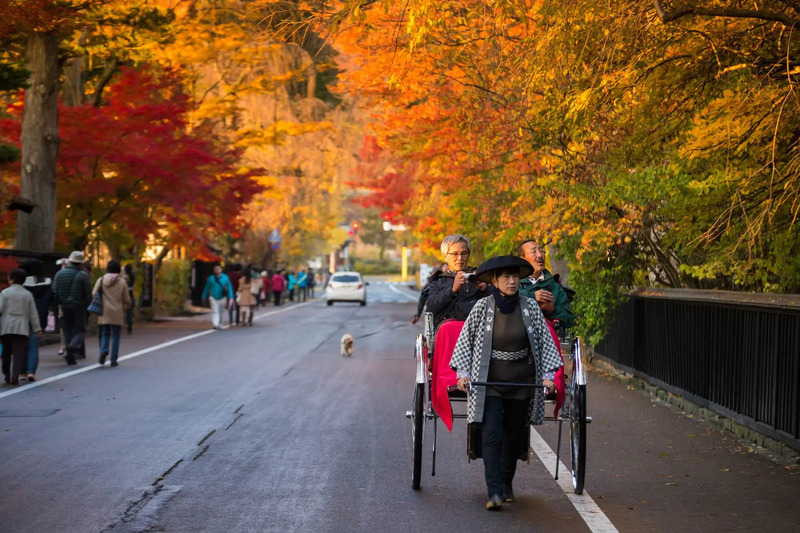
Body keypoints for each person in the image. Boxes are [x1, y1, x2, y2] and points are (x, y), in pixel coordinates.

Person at [450, 255, 562, 511]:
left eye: (514, 277)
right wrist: (463, 373)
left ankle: (507, 483)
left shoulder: (530, 308)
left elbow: (545, 343)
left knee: (513, 435)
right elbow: (464, 342)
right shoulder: (482, 307)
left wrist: (547, 376)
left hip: (522, 380)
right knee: (492, 434)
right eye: (506, 278)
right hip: (489, 380)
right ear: (495, 281)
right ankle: (495, 491)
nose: (512, 282)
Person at [425, 234, 491, 328]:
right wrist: (452, 290)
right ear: (445, 256)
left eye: (464, 253)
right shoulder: (438, 282)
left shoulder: (479, 276)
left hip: (478, 329)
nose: (460, 258)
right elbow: (431, 309)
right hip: (449, 331)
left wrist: (486, 289)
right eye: (455, 254)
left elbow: (497, 305)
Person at [516, 240, 574, 329]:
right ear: (522, 258)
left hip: (547, 339)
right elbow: (502, 297)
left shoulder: (555, 287)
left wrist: (552, 310)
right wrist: (532, 296)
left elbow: (569, 320)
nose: (540, 255)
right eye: (533, 252)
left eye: (542, 251)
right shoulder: (513, 282)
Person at [0, 269, 43, 385]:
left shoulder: (5, 293)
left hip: (6, 328)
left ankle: (6, 375)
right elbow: (32, 314)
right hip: (21, 329)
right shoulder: (27, 295)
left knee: (6, 353)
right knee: (19, 353)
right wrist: (37, 329)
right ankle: (15, 376)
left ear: (12, 279)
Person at [53, 251, 92, 365]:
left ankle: (69, 352)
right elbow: (88, 294)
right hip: (78, 305)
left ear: (70, 261)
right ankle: (72, 346)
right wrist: (89, 307)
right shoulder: (83, 275)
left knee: (67, 329)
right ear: (81, 263)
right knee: (80, 329)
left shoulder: (59, 274)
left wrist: (57, 305)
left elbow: (55, 291)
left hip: (64, 305)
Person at [93, 260, 131, 367]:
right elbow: (126, 298)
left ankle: (104, 350)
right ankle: (113, 360)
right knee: (115, 336)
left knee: (105, 333)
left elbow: (94, 293)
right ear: (119, 270)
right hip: (117, 311)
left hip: (104, 311)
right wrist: (127, 306)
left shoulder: (101, 280)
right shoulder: (122, 282)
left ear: (107, 269)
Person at [22, 259, 53, 382]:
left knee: (22, 345)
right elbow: (51, 299)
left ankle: (22, 372)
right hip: (40, 317)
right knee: (34, 346)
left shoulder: (22, 283)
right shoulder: (47, 282)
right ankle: (31, 372)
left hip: (23, 317)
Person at [201, 264, 234, 329]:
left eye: (218, 269)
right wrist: (203, 296)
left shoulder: (225, 277)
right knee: (215, 311)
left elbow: (229, 286)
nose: (217, 270)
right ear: (214, 271)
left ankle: (220, 323)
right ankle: (215, 324)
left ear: (221, 270)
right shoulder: (211, 278)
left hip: (222, 297)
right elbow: (207, 287)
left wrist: (231, 296)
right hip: (213, 297)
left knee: (221, 311)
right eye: (215, 269)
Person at [123, 264, 135, 334]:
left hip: (124, 295)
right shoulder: (132, 277)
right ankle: (129, 328)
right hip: (131, 295)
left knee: (125, 312)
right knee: (129, 313)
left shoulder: (124, 277)